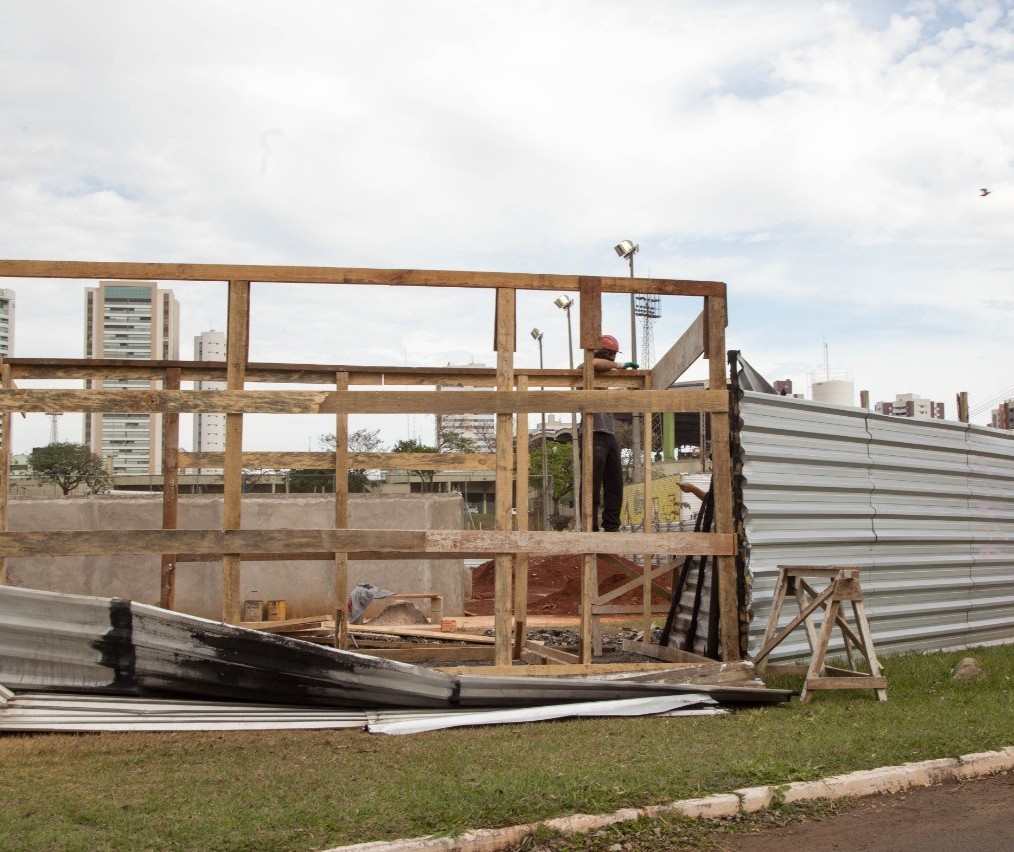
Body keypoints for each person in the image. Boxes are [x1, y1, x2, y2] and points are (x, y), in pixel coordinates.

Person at [582, 334, 638, 532]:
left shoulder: (606, 374)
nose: (613, 359)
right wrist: (621, 365)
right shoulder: (588, 368)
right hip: (593, 432)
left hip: (609, 433)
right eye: (611, 355)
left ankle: (612, 525)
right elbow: (590, 364)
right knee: (592, 483)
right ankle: (590, 527)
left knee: (615, 483)